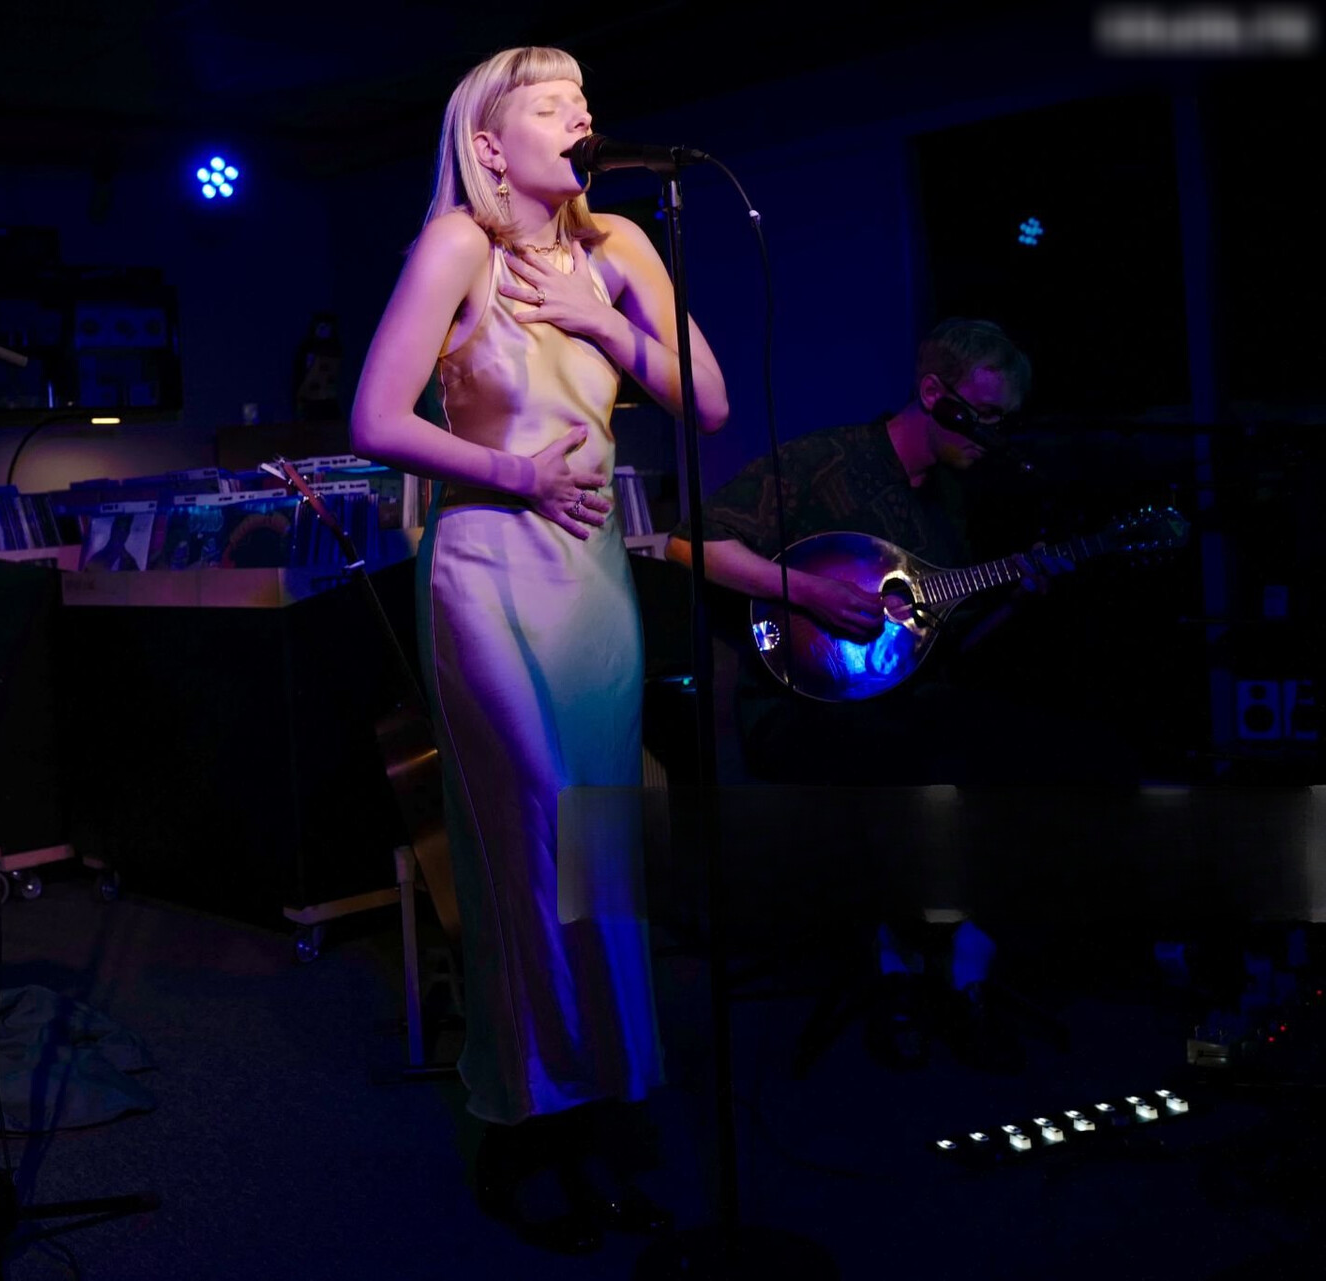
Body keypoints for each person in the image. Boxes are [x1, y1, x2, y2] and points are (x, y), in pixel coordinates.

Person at [351, 46, 728, 1254]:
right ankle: (525, 1122)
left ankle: (603, 1101)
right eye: (552, 105)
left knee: (600, 849)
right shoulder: (458, 246)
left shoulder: (620, 244)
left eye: (585, 103)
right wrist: (514, 475)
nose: (582, 119)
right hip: (489, 574)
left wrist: (606, 324)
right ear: (490, 145)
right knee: (526, 847)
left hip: (593, 584)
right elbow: (375, 419)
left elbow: (708, 402)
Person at [670, 318, 1114, 1071]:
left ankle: (965, 949)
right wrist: (806, 589)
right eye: (984, 415)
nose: (995, 436)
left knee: (1074, 754)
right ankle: (904, 960)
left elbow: (939, 642)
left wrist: (1018, 594)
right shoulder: (826, 460)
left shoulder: (950, 499)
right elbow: (690, 542)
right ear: (933, 393)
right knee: (920, 764)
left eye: (1006, 420)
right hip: (797, 709)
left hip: (906, 700)